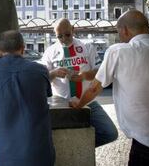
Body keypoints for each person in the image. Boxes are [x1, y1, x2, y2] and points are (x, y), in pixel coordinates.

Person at [70, 10, 149, 165]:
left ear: (124, 30)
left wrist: (79, 104)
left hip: (146, 146)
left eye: (118, 32)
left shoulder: (118, 51)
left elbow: (94, 88)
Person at [0, 30, 55, 166]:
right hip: (40, 154)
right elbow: (47, 95)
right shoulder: (40, 70)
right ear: (23, 48)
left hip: (6, 155)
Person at [39, 18, 118, 147]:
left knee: (110, 133)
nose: (64, 38)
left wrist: (85, 76)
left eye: (67, 34)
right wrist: (54, 73)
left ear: (73, 29)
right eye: (59, 36)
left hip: (88, 101)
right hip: (62, 104)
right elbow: (42, 77)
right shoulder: (50, 51)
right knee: (56, 137)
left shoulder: (87, 46)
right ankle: (72, 151)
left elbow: (99, 71)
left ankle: (78, 148)